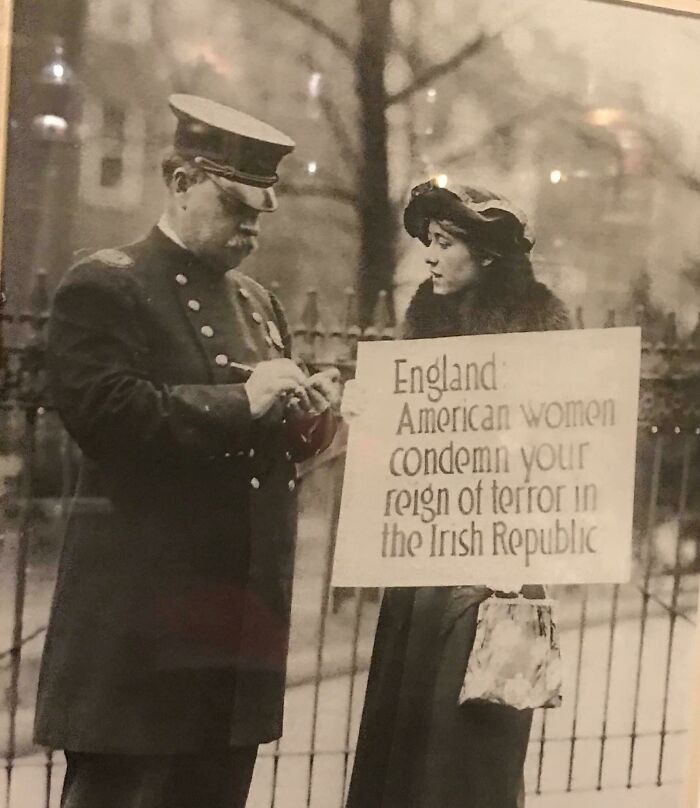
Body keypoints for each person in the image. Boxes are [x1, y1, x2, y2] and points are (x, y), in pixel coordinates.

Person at [33, 94, 339, 808]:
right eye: (236, 208)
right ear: (179, 183)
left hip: (232, 638)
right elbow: (107, 414)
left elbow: (265, 453)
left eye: (261, 214)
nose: (251, 230)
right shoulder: (106, 285)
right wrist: (245, 400)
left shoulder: (259, 304)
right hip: (144, 636)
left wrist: (312, 422)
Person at [345, 179, 570, 808]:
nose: (430, 256)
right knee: (408, 736)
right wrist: (368, 414)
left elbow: (563, 458)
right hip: (421, 570)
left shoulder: (542, 333)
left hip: (498, 576)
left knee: (471, 751)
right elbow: (399, 454)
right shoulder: (423, 327)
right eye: (427, 242)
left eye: (445, 242)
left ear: (489, 253)